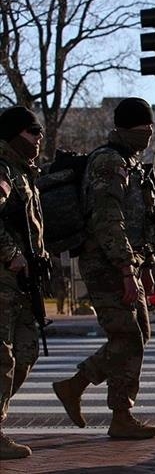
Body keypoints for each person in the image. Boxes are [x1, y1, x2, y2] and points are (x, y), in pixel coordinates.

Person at [52, 97, 155, 440]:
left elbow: (134, 221)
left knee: (137, 334)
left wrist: (141, 264)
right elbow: (108, 219)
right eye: (145, 127)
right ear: (131, 128)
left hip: (124, 260)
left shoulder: (130, 161)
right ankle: (119, 413)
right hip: (106, 263)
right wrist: (127, 269)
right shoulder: (109, 162)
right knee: (128, 336)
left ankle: (77, 385)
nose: (149, 133)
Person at [0, 106, 46, 459]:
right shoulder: (2, 169)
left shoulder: (23, 172)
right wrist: (11, 253)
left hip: (21, 283)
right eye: (33, 132)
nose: (39, 139)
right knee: (3, 357)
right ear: (15, 134)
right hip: (4, 279)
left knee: (26, 352)